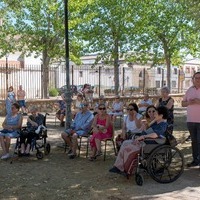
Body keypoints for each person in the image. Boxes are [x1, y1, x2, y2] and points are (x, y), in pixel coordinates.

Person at [109, 106, 168, 175]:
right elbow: (148, 128)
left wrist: (143, 136)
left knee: (128, 148)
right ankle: (118, 166)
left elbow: (155, 135)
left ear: (161, 115)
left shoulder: (163, 124)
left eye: (156, 113)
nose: (154, 114)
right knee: (125, 143)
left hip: (149, 144)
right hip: (144, 141)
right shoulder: (156, 122)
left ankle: (125, 169)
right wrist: (154, 120)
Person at [182, 71, 200, 167]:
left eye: (199, 78)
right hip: (191, 120)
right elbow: (182, 103)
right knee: (194, 142)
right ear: (193, 79)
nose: (198, 80)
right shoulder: (189, 90)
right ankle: (195, 160)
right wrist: (189, 103)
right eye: (196, 78)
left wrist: (198, 101)